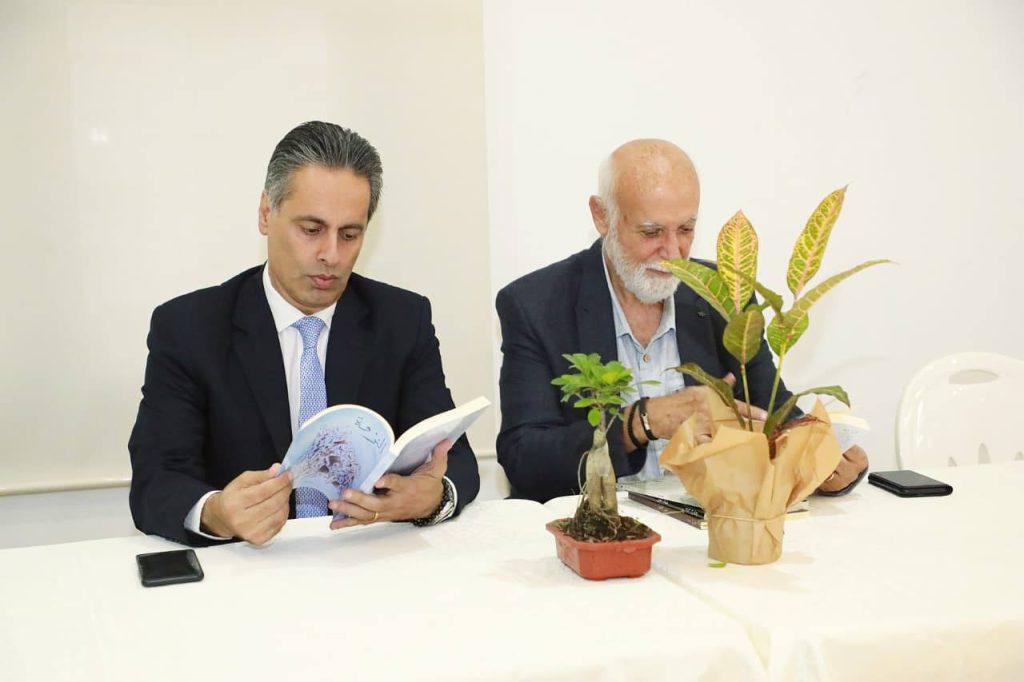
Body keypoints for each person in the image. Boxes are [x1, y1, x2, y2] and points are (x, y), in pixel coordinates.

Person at [129, 121, 479, 546]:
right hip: (248, 567)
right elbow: (156, 480)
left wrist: (432, 497)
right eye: (311, 230)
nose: (331, 254)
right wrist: (217, 513)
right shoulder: (189, 328)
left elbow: (455, 460)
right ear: (266, 213)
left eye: (350, 235)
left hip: (365, 561)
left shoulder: (402, 320)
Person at [495, 138, 867, 503]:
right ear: (602, 216)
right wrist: (641, 422)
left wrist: (820, 461)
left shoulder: (724, 293)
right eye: (651, 232)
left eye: (686, 229)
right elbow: (524, 458)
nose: (673, 253)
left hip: (708, 523)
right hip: (594, 524)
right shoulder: (535, 305)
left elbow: (774, 411)